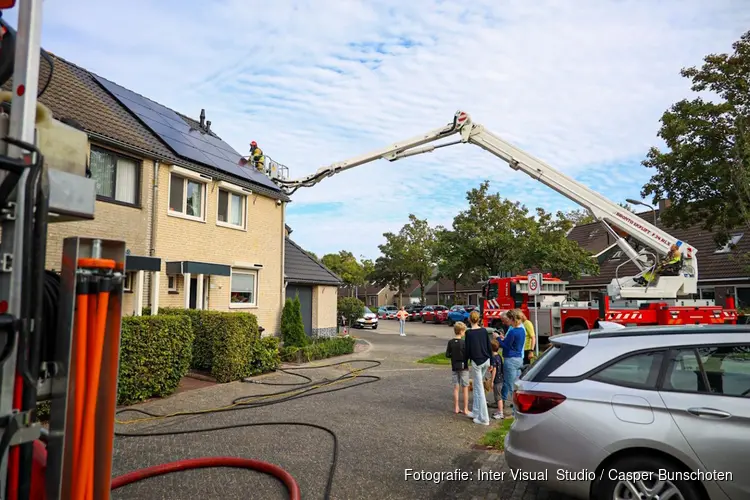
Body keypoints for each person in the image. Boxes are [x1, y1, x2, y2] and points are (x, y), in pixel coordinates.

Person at [464, 310, 493, 425]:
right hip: (486, 360)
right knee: (477, 386)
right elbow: (488, 345)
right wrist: (491, 362)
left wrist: (465, 363)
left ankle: (484, 418)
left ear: (470, 319)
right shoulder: (484, 331)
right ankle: (476, 412)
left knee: (479, 389)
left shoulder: (469, 333)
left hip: (477, 361)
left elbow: (467, 349)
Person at [498, 309, 526, 413]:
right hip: (519, 358)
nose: (508, 321)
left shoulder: (513, 331)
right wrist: (504, 338)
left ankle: (515, 411)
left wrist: (498, 339)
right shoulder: (522, 330)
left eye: (509, 319)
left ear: (512, 319)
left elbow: (506, 346)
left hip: (510, 359)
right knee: (517, 385)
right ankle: (520, 407)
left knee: (510, 385)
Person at [445, 321, 470, 414]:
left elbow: (447, 354)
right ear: (461, 331)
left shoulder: (451, 342)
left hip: (454, 366)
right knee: (465, 387)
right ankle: (466, 408)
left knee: (456, 387)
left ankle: (456, 407)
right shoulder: (464, 343)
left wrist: (453, 355)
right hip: (463, 366)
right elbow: (467, 354)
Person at [488, 339, 504, 419]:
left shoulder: (493, 358)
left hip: (497, 380)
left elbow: (494, 370)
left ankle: (501, 413)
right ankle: (499, 410)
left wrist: (492, 381)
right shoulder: (499, 356)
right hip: (501, 378)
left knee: (498, 397)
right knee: (498, 396)